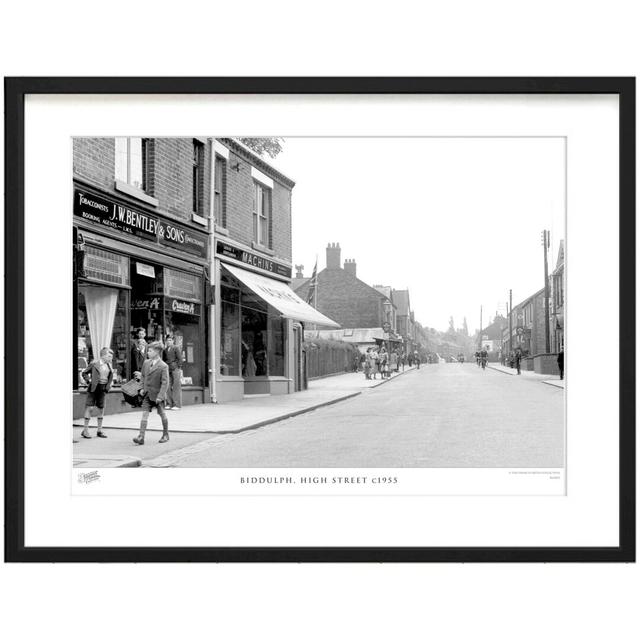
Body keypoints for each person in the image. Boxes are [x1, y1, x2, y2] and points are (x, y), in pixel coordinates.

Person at [133, 341, 170, 445]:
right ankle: (141, 437)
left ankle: (165, 434)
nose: (147, 352)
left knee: (162, 414)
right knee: (144, 414)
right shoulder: (146, 363)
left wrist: (161, 396)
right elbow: (143, 377)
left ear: (157, 352)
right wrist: (141, 388)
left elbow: (165, 383)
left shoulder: (163, 366)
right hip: (147, 394)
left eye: (150, 351)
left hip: (158, 396)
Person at [80, 347, 114, 439]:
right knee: (90, 408)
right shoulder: (94, 364)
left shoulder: (109, 365)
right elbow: (84, 373)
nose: (111, 358)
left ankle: (99, 430)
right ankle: (85, 430)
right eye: (109, 356)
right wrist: (88, 381)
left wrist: (109, 385)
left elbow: (110, 377)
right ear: (103, 356)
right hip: (93, 388)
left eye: (111, 356)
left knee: (101, 409)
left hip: (103, 389)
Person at [163, 335, 183, 410]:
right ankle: (169, 403)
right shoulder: (165, 350)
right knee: (168, 386)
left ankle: (177, 404)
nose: (168, 342)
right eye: (167, 340)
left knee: (176, 386)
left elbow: (180, 359)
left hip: (175, 369)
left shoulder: (176, 348)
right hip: (167, 369)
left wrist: (177, 366)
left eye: (170, 340)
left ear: (173, 341)